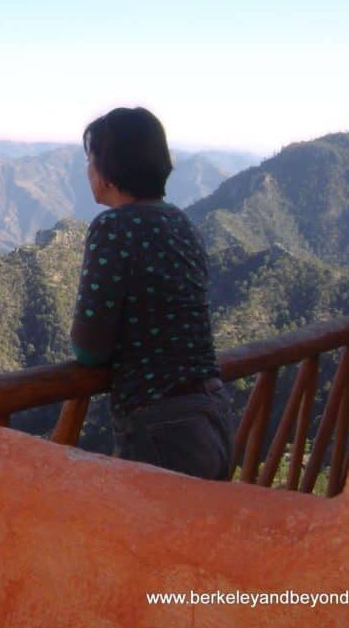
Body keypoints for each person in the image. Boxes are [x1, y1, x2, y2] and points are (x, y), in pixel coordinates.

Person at [69, 106, 234, 480]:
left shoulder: (113, 228)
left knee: (159, 535)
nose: (87, 170)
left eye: (90, 158)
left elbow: (90, 347)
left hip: (161, 421)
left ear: (109, 169)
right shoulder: (181, 222)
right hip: (212, 408)